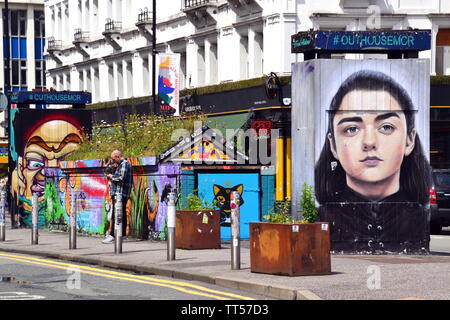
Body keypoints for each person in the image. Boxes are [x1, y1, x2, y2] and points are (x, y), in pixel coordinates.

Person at [314, 70, 432, 253]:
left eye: (386, 127)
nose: (369, 142)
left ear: (410, 139)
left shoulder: (419, 218)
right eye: (352, 129)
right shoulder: (321, 218)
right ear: (333, 145)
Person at [102, 150, 132, 244]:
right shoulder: (121, 165)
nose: (113, 161)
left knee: (116, 214)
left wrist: (110, 176)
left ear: (118, 156)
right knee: (121, 214)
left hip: (120, 194)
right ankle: (121, 235)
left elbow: (121, 177)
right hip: (120, 194)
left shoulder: (124, 164)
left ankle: (112, 236)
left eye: (114, 159)